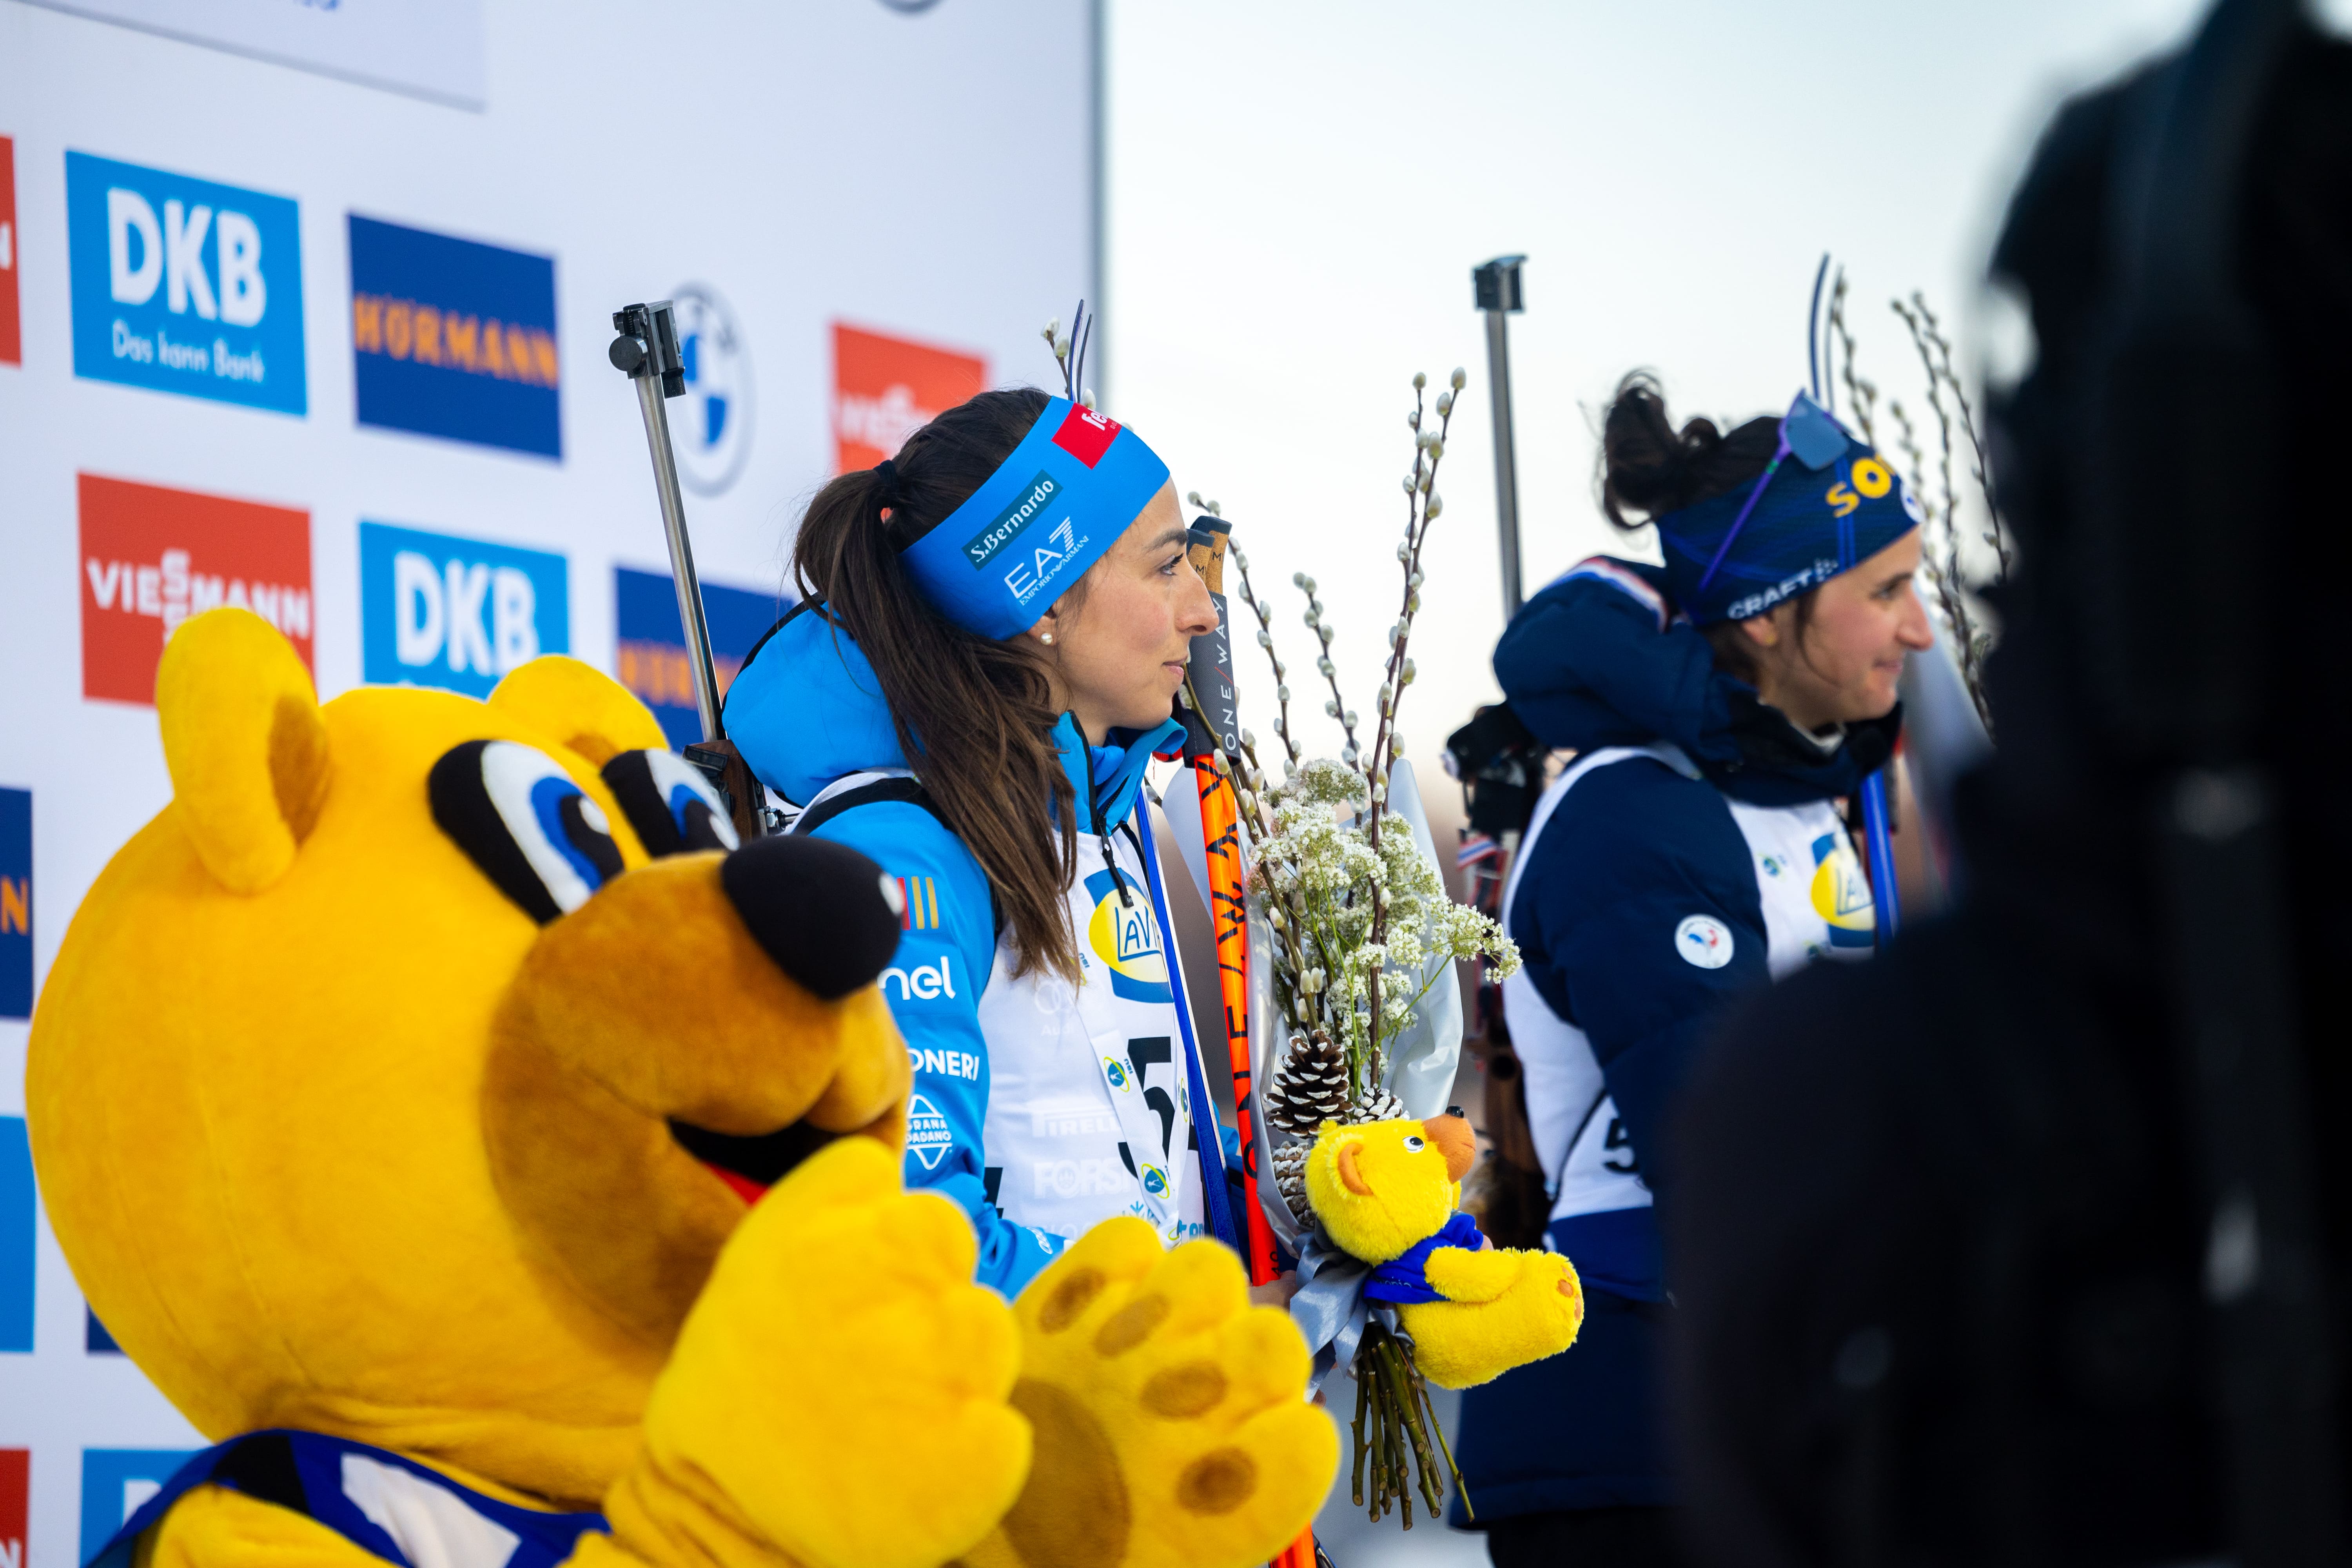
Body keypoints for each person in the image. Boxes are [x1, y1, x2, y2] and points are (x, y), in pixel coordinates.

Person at [1669, 9, 2352, 1566]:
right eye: (1885, 589)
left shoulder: (1853, 1072)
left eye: (1935, 577)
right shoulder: (1877, 1078)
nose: (1930, 626)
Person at [1450, 372, 1932, 1566]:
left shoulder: (1794, 785)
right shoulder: (1643, 810)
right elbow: (1722, 1139)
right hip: (1640, 1438)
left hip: (1751, 1408)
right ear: (1766, 614)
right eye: (1885, 591)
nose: (1920, 628)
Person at [723, 387, 1234, 1299]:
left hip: (1140, 1382)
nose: (1203, 610)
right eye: (1166, 567)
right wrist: (1177, 1318)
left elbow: (1137, 1150)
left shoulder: (1114, 816)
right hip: (1004, 1387)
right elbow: (914, 1234)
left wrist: (1332, 1218)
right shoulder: (901, 852)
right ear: (1043, 597)